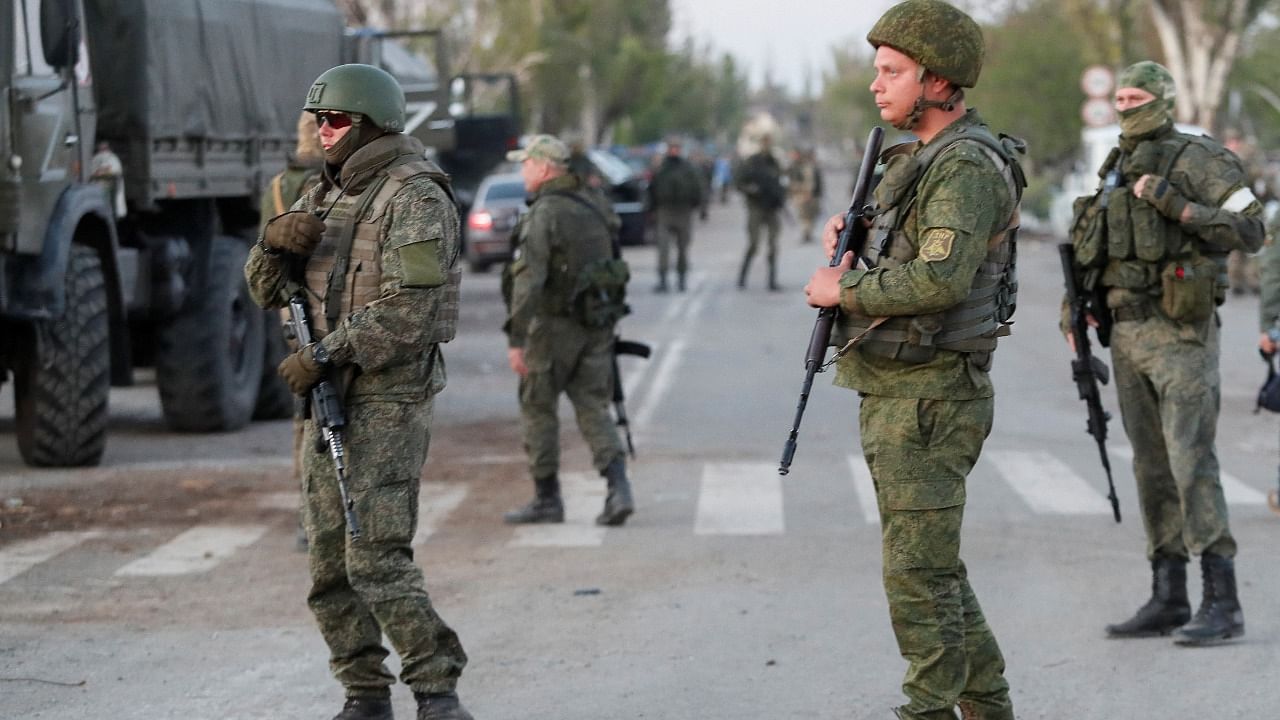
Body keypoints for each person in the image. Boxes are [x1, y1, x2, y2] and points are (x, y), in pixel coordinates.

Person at [803, 2, 1024, 717]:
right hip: (902, 391)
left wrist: (845, 286)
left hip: (930, 398)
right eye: (877, 70)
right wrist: (858, 236)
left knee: (918, 586)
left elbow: (941, 281)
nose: (877, 84)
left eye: (892, 71)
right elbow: (917, 251)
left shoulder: (963, 164)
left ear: (938, 82)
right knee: (936, 575)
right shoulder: (924, 160)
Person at [244, 63, 473, 720]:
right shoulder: (323, 193)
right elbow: (264, 292)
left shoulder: (417, 198)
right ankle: (364, 694)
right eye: (318, 120)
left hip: (386, 398)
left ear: (371, 122)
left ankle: (437, 688)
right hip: (327, 396)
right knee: (327, 565)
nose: (322, 131)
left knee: (374, 555)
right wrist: (270, 244)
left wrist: (324, 355)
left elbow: (414, 313)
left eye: (335, 119)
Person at [1063, 61, 1262, 647]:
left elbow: (1252, 230)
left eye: (1136, 96)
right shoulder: (1113, 168)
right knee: (1150, 467)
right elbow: (1090, 252)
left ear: (1164, 99)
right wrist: (1073, 313)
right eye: (1119, 96)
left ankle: (1222, 602)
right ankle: (1169, 594)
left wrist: (1180, 207)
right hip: (1124, 335)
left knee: (1190, 462)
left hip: (1181, 332)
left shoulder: (1199, 159)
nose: (1125, 105)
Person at [501, 134, 635, 527]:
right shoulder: (593, 203)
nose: (522, 171)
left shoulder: (545, 213)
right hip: (596, 325)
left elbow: (529, 281)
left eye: (526, 164)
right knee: (594, 406)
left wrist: (516, 338)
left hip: (552, 330)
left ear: (543, 167)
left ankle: (547, 499)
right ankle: (618, 488)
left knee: (538, 409)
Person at [258, 110, 325, 553]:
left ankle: (308, 513)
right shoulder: (333, 185)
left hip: (292, 314)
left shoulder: (278, 187)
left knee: (306, 416)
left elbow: (265, 252)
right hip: (328, 310)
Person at [647, 136, 705, 292]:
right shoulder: (660, 168)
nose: (674, 150)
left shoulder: (688, 169)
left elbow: (698, 188)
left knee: (682, 248)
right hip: (664, 211)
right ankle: (663, 280)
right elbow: (652, 190)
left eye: (676, 148)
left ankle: (681, 279)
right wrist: (650, 210)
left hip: (683, 211)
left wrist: (700, 209)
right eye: (671, 147)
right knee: (663, 249)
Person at [735, 134, 786, 290]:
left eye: (768, 142)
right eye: (764, 142)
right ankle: (742, 278)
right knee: (754, 244)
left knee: (773, 245)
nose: (766, 145)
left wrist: (780, 198)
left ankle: (772, 280)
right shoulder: (751, 162)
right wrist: (751, 189)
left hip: (771, 208)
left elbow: (781, 182)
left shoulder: (774, 162)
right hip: (756, 206)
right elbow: (739, 182)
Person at [787, 146, 824, 244]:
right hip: (799, 195)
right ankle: (806, 234)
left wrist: (809, 193)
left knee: (809, 215)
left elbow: (810, 181)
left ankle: (807, 233)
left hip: (807, 194)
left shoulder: (806, 166)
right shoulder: (793, 166)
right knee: (804, 216)